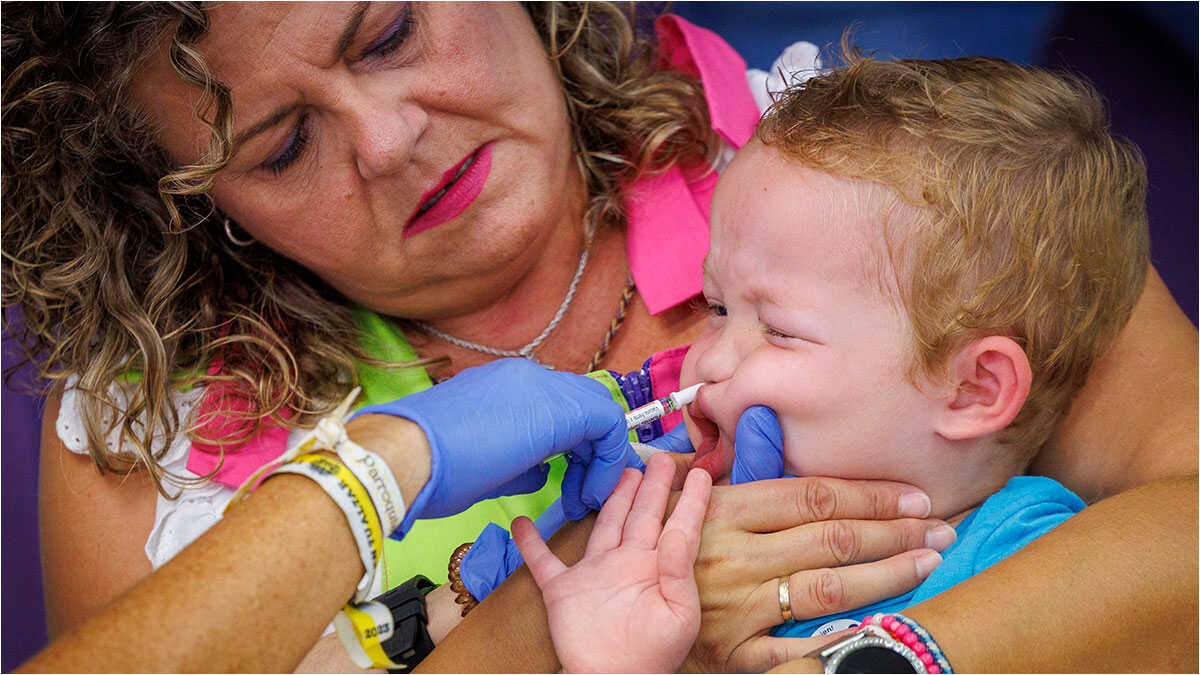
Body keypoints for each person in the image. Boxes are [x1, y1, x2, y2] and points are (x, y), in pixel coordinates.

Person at [2, 3, 1194, 672]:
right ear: (190, 202)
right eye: (280, 147)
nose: (385, 138)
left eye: (386, 36)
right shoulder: (150, 438)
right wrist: (546, 627)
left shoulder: (878, 172)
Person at [516, 52, 1157, 673]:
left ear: (972, 388)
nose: (705, 362)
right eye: (716, 306)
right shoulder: (674, 551)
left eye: (781, 330)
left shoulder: (1031, 567)